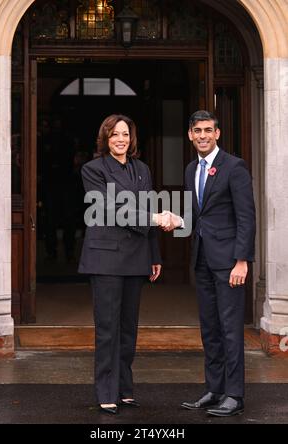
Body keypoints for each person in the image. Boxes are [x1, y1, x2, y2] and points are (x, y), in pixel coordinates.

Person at [159, 110, 256, 417]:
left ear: (217, 134)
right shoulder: (191, 170)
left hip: (229, 263)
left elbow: (246, 217)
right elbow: (196, 217)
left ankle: (234, 395)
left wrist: (242, 260)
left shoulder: (234, 167)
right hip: (201, 260)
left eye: (207, 130)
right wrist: (177, 221)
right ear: (190, 135)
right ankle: (214, 390)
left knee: (230, 329)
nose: (202, 135)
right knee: (210, 330)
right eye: (197, 131)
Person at [78, 114, 162, 414]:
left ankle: (125, 389)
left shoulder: (142, 169)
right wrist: (154, 219)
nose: (120, 139)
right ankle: (106, 392)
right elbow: (109, 208)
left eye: (125, 134)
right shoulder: (93, 169)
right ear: (105, 138)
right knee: (108, 329)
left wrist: (154, 255)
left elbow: (149, 206)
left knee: (128, 329)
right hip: (105, 259)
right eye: (114, 134)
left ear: (132, 138)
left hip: (137, 257)